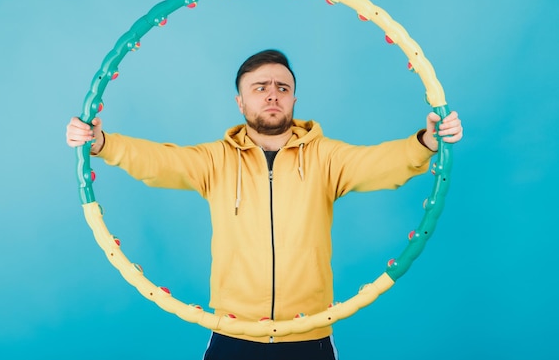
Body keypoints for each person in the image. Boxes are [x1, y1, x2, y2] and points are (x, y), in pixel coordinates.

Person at [66, 49, 463, 360]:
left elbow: (378, 163)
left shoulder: (326, 157)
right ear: (241, 101)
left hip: (309, 335)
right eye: (260, 87)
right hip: (233, 334)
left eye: (282, 87)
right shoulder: (215, 160)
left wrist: (426, 142)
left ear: (293, 99)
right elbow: (158, 161)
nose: (272, 94)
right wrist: (102, 143)